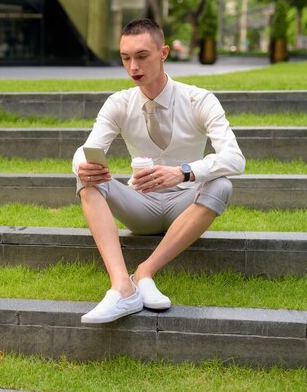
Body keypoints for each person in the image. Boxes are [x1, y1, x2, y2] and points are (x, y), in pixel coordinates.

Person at [72, 18, 245, 324]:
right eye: (126, 58)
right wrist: (84, 167)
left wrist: (184, 172)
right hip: (140, 205)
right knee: (86, 182)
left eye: (142, 56)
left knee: (222, 185)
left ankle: (145, 271)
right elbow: (85, 150)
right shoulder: (118, 104)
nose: (133, 66)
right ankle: (122, 286)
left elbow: (235, 158)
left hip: (187, 203)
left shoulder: (199, 99)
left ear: (164, 52)